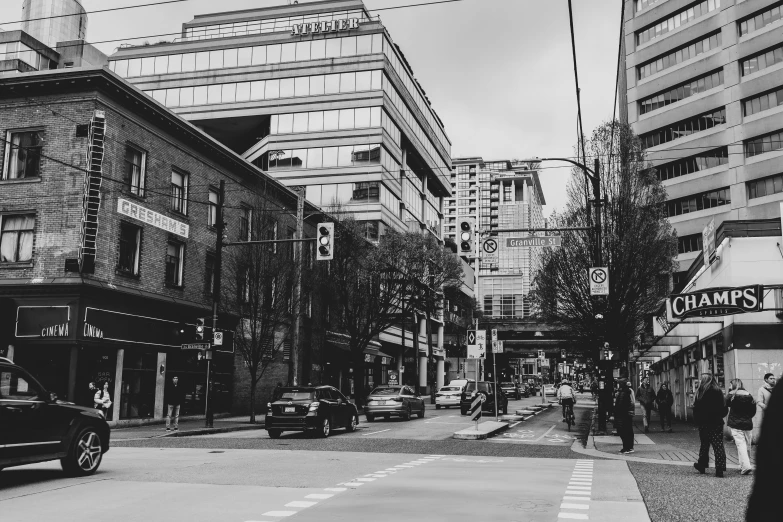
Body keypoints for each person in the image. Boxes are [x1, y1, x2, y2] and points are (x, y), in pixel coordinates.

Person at [745, 377, 782, 520]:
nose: (773, 379)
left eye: (774, 377)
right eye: (771, 377)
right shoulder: (763, 389)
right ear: (766, 379)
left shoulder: (777, 389)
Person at [692, 373, 728, 477]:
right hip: (716, 422)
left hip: (704, 423)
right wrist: (719, 415)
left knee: (704, 444)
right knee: (718, 445)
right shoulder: (718, 392)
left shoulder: (701, 393)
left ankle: (702, 465)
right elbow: (724, 408)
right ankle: (720, 468)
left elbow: (697, 409)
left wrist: (698, 420)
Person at [726, 378, 755, 475]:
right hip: (747, 423)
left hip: (735, 423)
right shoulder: (749, 395)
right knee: (747, 445)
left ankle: (746, 466)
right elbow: (753, 411)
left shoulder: (731, 395)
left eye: (730, 385)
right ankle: (743, 464)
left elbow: (724, 405)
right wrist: (747, 417)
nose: (729, 387)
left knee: (740, 445)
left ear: (733, 385)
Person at [614, 377, 635, 454]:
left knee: (624, 431)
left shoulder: (624, 392)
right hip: (625, 414)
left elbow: (621, 404)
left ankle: (627, 447)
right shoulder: (625, 391)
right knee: (627, 431)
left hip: (623, 414)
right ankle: (628, 447)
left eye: (619, 383)